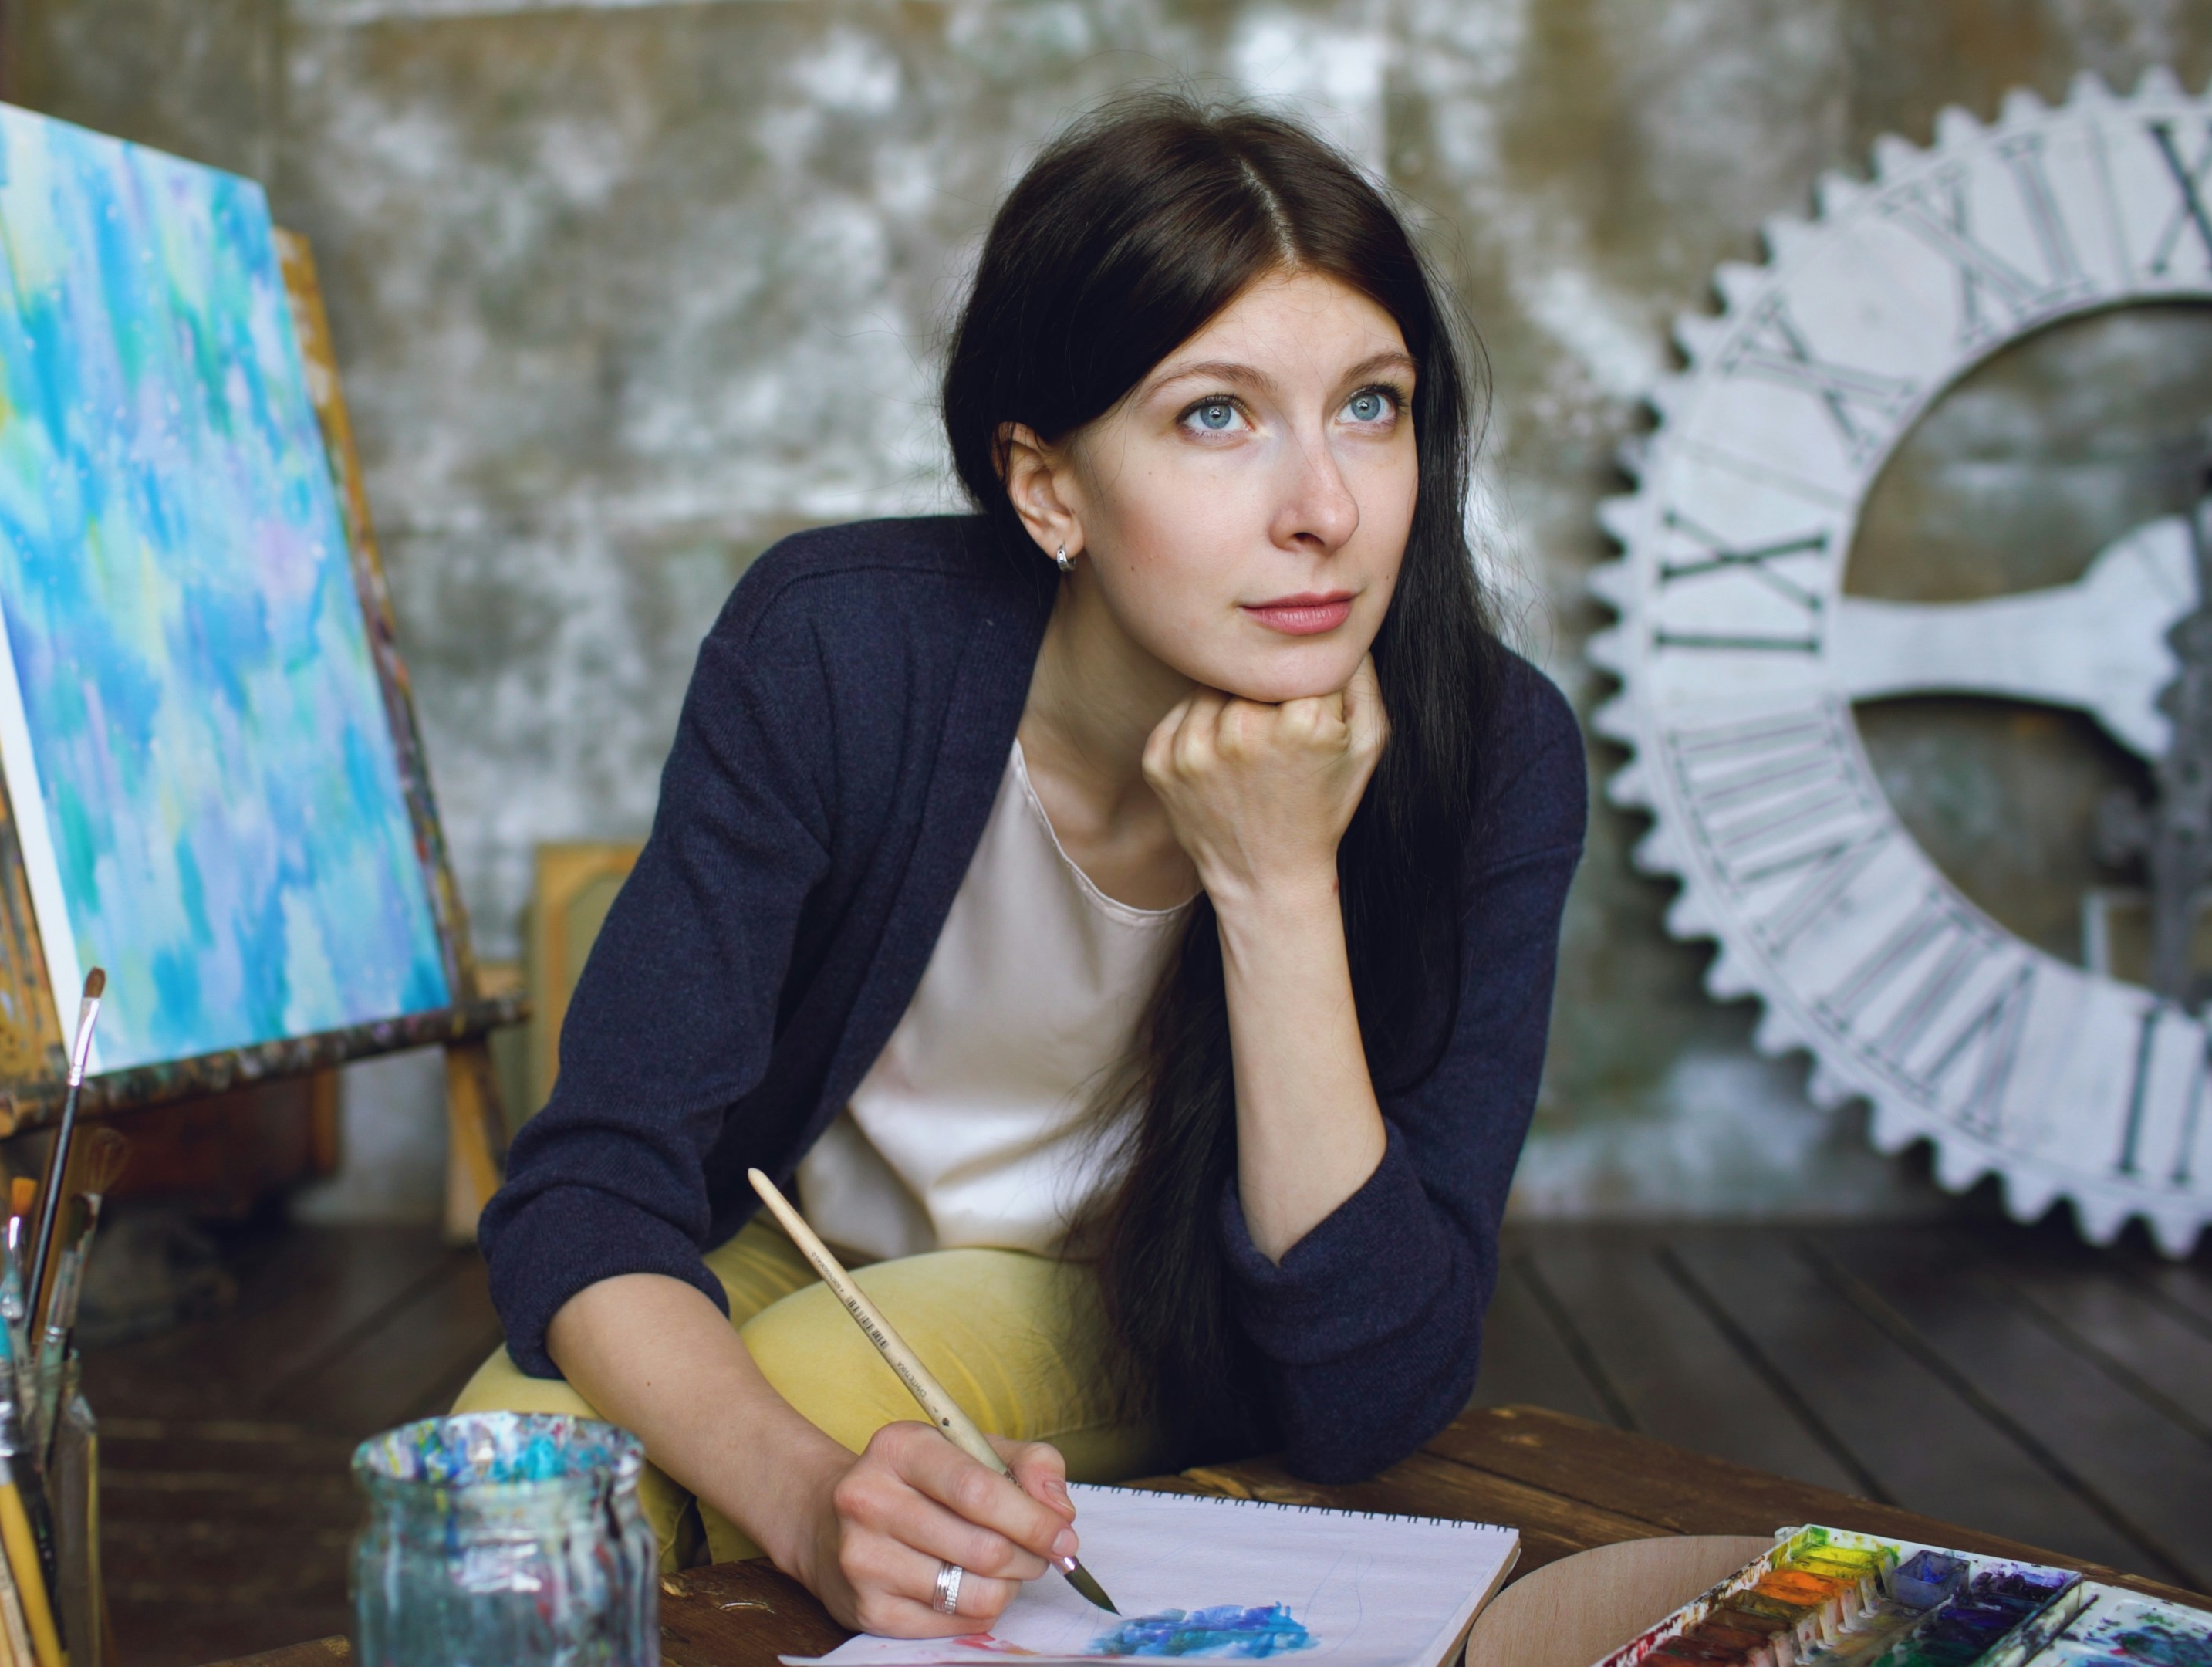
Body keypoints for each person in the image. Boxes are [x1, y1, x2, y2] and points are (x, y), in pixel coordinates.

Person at [453, 92, 1585, 1640]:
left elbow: (1371, 1384)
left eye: (1372, 406)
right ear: (1047, 486)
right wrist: (795, 1494)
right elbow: (592, 1191)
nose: (1325, 509)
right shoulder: (841, 653)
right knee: (488, 1483)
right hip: (788, 1261)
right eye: (1217, 415)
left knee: (834, 1381)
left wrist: (1275, 881)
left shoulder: (1494, 758)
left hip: (1130, 1315)